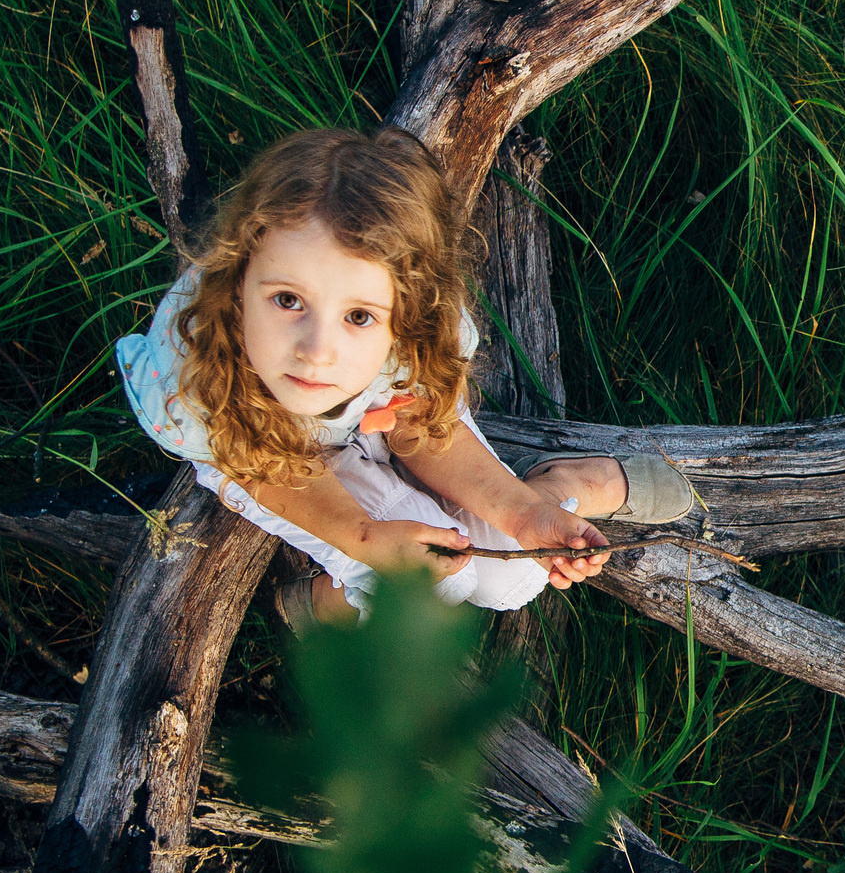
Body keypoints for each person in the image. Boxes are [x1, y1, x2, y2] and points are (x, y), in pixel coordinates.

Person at [116, 128, 696, 627]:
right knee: (428, 591)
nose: (318, 352)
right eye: (288, 300)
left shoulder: (412, 337)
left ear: (406, 310)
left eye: (359, 316)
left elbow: (421, 429)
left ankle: (547, 489)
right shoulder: (196, 382)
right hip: (277, 452)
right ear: (241, 278)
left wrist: (520, 513)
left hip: (375, 403)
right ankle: (320, 607)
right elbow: (267, 471)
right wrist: (363, 537)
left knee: (511, 581)